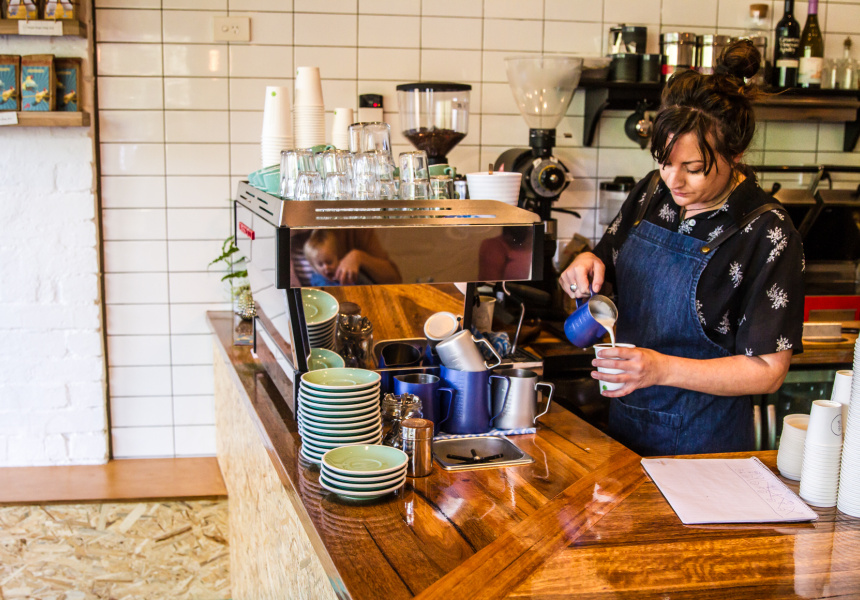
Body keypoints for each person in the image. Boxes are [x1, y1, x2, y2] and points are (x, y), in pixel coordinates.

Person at [559, 40, 805, 457]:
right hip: (626, 431)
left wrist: (661, 369)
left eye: (693, 169)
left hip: (705, 446)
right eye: (665, 161)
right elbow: (605, 264)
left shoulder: (767, 232)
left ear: (735, 154)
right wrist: (585, 262)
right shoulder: (652, 193)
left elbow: (767, 371)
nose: (674, 181)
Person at [298, 229, 402, 286]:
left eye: (329, 262)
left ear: (337, 256)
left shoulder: (349, 275)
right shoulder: (317, 279)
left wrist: (359, 257)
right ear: (313, 266)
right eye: (320, 264)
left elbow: (393, 279)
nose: (326, 267)